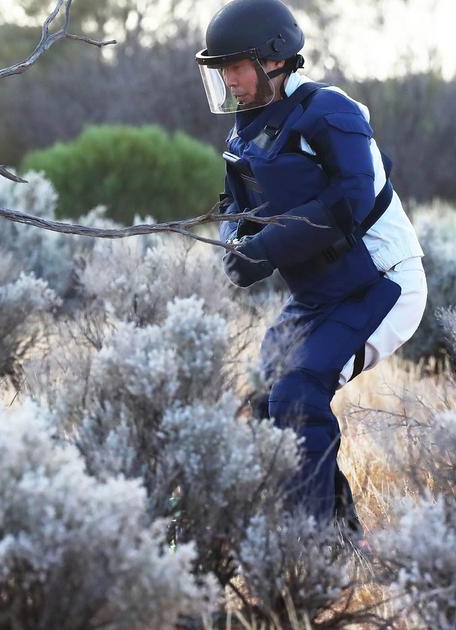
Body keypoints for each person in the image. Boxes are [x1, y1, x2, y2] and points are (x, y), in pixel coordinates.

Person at [196, 0, 426, 536]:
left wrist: (268, 248)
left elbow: (351, 197)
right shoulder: (243, 132)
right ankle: (342, 533)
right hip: (320, 291)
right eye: (221, 69)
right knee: (265, 397)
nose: (228, 79)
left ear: (274, 60)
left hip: (383, 281)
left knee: (298, 393)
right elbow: (234, 208)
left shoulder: (332, 110)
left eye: (236, 65)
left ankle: (313, 547)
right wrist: (235, 246)